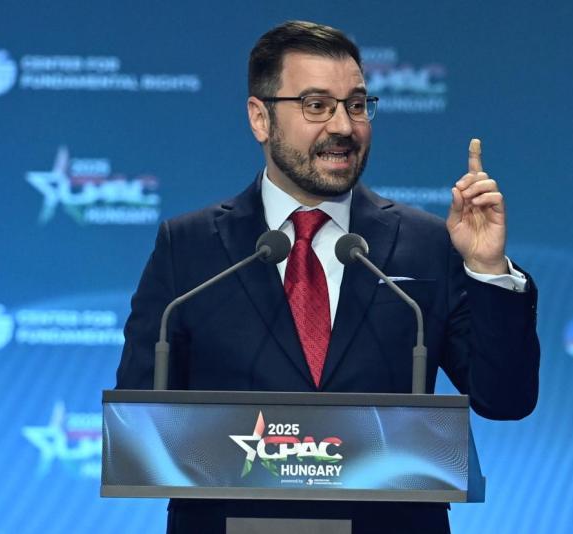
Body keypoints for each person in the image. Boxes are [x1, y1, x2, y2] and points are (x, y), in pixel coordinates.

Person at [116, 20, 540, 534]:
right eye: (316, 105)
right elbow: (140, 419)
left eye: (356, 105)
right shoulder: (189, 247)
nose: (343, 126)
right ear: (260, 118)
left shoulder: (428, 243)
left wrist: (488, 269)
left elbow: (505, 398)